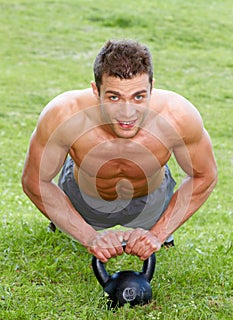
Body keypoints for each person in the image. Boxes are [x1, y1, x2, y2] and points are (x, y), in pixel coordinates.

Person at [22, 39, 217, 263]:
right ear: (96, 90)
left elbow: (204, 175)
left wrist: (158, 233)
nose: (127, 113)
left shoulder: (178, 115)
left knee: (157, 242)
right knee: (71, 233)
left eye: (138, 97)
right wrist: (89, 237)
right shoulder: (64, 113)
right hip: (82, 199)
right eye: (114, 97)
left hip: (151, 202)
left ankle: (158, 230)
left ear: (152, 87)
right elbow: (34, 180)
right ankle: (67, 222)